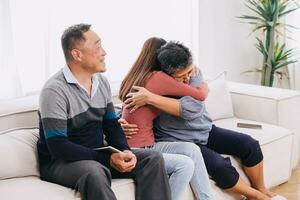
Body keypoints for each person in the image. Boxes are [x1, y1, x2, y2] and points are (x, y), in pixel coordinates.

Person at [121, 41, 287, 200]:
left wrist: (151, 98)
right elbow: (129, 106)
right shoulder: (158, 81)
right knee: (219, 166)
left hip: (205, 131)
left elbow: (194, 108)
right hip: (178, 139)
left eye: (189, 72)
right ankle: (256, 196)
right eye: (181, 76)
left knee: (249, 144)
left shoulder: (194, 73)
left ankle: (262, 189)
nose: (188, 78)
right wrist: (119, 121)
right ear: (167, 74)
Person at [36, 24, 171, 200]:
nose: (104, 52)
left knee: (152, 159)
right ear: (77, 54)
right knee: (94, 171)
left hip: (95, 153)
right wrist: (107, 159)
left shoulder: (101, 82)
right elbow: (58, 147)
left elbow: (111, 126)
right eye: (98, 46)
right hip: (60, 162)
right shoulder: (54, 90)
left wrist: (124, 150)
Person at [119, 37, 213, 200]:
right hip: (140, 148)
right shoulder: (157, 78)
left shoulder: (139, 77)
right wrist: (204, 84)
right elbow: (200, 95)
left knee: (192, 150)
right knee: (185, 165)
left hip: (147, 144)